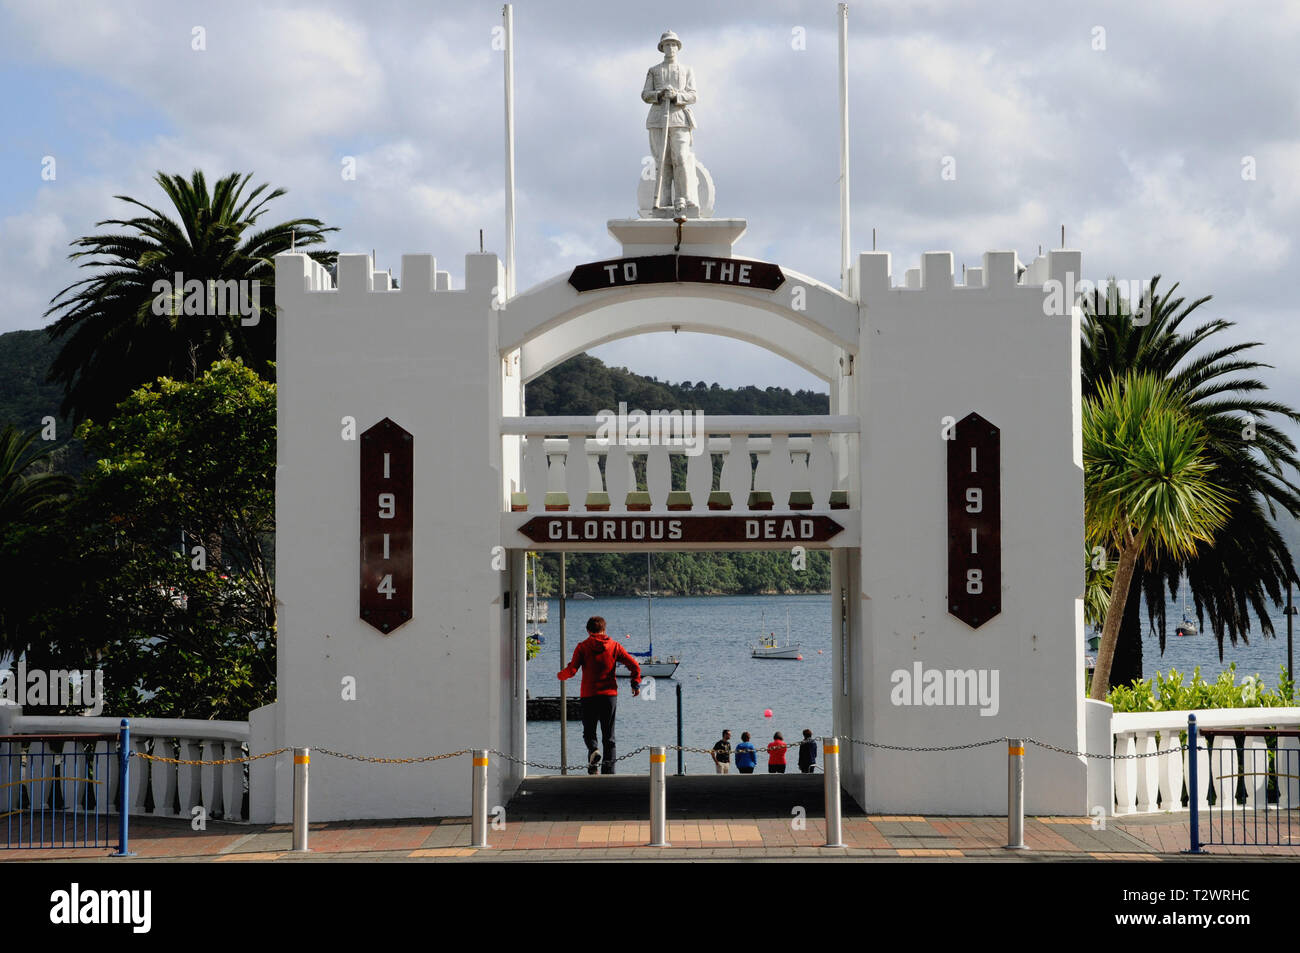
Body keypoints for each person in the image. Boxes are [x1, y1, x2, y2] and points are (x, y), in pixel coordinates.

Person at [558, 616, 640, 774]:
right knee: (609, 736)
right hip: (609, 696)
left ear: (588, 631)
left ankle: (594, 756)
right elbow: (634, 665)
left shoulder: (582, 647)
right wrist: (635, 684)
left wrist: (560, 675)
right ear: (604, 629)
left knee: (589, 732)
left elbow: (572, 670)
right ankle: (608, 773)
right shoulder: (615, 646)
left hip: (589, 695)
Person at [641, 30, 699, 212]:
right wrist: (659, 94)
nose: (670, 47)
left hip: (680, 118)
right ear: (662, 47)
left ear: (678, 47)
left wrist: (676, 95)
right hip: (658, 119)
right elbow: (645, 94)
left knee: (680, 158)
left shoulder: (687, 70)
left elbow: (693, 95)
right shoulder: (653, 70)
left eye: (673, 44)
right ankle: (664, 200)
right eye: (667, 44)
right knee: (662, 161)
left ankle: (684, 197)